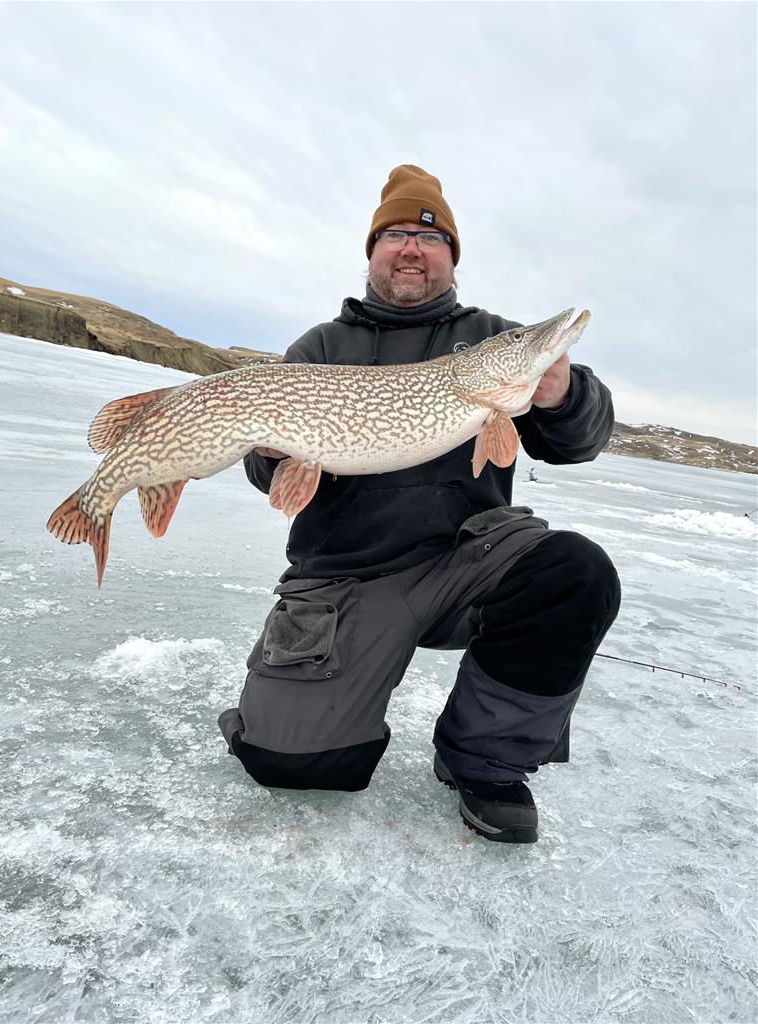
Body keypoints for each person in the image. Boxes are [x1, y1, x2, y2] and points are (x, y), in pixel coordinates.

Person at [218, 164, 621, 844]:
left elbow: (579, 440)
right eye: (397, 234)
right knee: (288, 760)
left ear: (451, 258)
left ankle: (485, 759)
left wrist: (560, 393)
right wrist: (272, 450)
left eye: (431, 239)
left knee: (574, 572)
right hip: (348, 578)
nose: (413, 248)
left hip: (472, 563)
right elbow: (269, 480)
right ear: (373, 250)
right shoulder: (320, 349)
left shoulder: (493, 339)